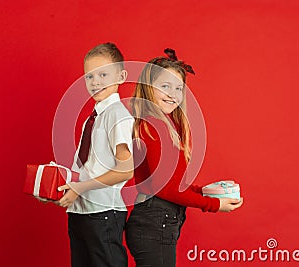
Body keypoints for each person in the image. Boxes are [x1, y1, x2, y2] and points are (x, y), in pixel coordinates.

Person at [125, 49, 243, 267]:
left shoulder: (166, 125)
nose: (173, 94)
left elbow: (171, 184)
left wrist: (203, 191)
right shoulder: (155, 125)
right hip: (154, 223)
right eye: (165, 86)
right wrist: (213, 204)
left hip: (156, 222)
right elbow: (165, 188)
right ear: (148, 87)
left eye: (178, 88)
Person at [55, 42, 134, 267]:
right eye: (89, 76)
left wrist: (79, 188)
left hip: (103, 213)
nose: (95, 82)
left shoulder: (117, 115)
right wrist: (60, 188)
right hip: (80, 210)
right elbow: (86, 167)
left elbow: (125, 169)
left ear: (121, 76)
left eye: (103, 74)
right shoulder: (95, 117)